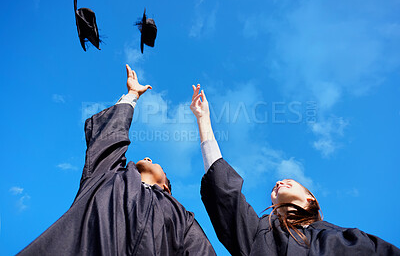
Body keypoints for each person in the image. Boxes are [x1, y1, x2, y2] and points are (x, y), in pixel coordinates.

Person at [18, 66, 216, 256]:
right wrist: (132, 96)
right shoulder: (106, 176)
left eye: (156, 163)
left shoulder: (182, 218)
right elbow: (109, 138)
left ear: (166, 187)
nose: (148, 158)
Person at [190, 84, 400, 256]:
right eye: (276, 185)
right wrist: (203, 119)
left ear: (311, 198)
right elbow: (225, 192)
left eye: (288, 181)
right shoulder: (260, 234)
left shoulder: (349, 238)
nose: (279, 182)